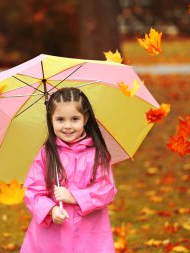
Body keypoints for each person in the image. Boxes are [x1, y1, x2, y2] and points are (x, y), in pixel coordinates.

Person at [20, 87, 117, 253]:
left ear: (85, 118)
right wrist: (50, 209)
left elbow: (106, 189)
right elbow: (33, 192)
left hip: (89, 233)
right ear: (50, 120)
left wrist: (73, 197)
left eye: (74, 119)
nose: (67, 126)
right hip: (53, 232)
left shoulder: (97, 153)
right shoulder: (47, 153)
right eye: (60, 119)